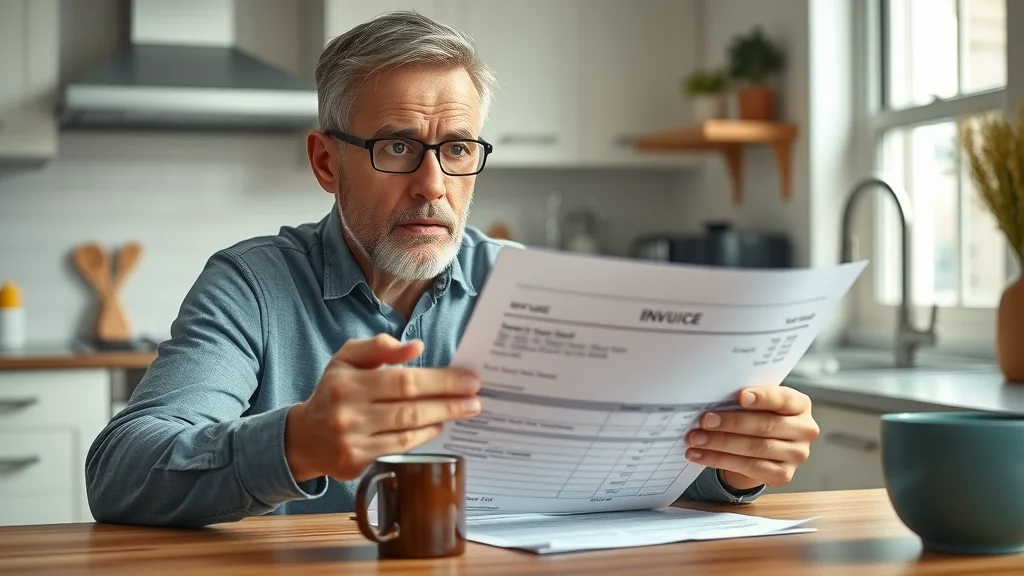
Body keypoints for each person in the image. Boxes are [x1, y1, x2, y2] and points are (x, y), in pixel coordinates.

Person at [85, 10, 820, 528]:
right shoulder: (252, 286)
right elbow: (122, 472)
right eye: (398, 147)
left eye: (459, 149)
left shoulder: (534, 290)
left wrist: (737, 461)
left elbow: (642, 465)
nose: (433, 185)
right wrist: (297, 441)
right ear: (325, 163)